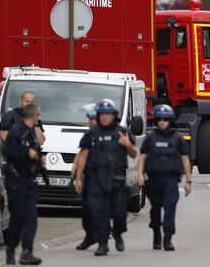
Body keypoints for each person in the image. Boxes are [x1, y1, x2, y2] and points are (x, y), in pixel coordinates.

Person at [74, 99, 137, 257]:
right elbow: (82, 156)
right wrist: (78, 178)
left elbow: (134, 154)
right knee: (99, 211)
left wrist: (127, 144)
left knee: (119, 212)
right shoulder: (91, 135)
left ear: (114, 116)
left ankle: (117, 233)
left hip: (117, 177)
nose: (104, 117)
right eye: (102, 114)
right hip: (96, 177)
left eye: (108, 114)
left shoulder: (122, 132)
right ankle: (102, 244)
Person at [138, 104, 192, 251]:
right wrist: (140, 175)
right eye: (159, 119)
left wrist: (188, 181)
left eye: (165, 119)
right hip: (154, 180)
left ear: (170, 121)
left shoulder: (177, 138)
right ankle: (156, 234)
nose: (162, 122)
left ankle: (167, 238)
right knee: (155, 210)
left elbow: (185, 159)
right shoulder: (150, 138)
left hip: (171, 180)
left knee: (170, 208)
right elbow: (142, 157)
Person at [1, 104, 44, 265]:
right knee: (17, 218)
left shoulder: (32, 131)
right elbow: (8, 152)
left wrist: (39, 157)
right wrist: (26, 152)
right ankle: (11, 248)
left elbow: (37, 146)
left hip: (29, 181)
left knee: (31, 217)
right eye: (38, 115)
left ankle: (27, 251)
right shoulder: (16, 131)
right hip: (16, 181)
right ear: (33, 115)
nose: (39, 118)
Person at [73, 108, 99, 251]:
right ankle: (90, 236)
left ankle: (103, 237)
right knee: (86, 210)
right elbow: (82, 153)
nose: (90, 122)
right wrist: (77, 174)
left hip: (105, 177)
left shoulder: (110, 133)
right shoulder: (89, 135)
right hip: (90, 177)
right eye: (89, 119)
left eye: (93, 119)